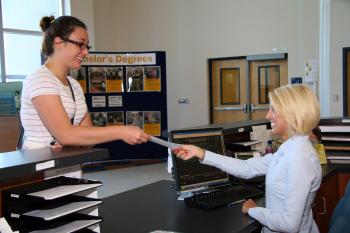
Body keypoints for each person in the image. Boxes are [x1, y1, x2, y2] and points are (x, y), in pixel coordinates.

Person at [173, 84, 322, 233]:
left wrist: (254, 210)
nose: (268, 115)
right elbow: (246, 168)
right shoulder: (290, 149)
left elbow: (289, 224)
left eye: (274, 110)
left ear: (292, 113)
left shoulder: (300, 158)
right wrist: (201, 153)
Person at [20, 15, 150, 149]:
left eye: (87, 46)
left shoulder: (74, 84)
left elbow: (88, 138)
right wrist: (120, 131)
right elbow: (67, 135)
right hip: (42, 166)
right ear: (59, 43)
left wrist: (73, 138)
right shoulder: (40, 79)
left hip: (70, 165)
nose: (86, 52)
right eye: (81, 45)